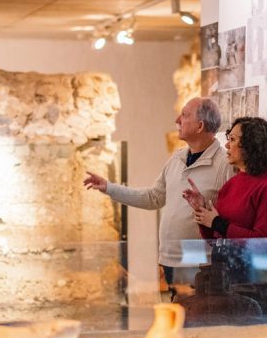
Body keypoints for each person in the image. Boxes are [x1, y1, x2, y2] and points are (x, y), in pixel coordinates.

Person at [84, 97, 235, 289]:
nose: (177, 120)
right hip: (170, 258)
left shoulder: (224, 164)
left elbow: (231, 216)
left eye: (184, 115)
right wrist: (109, 188)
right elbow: (153, 197)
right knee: (176, 316)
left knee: (198, 317)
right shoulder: (177, 158)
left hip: (203, 263)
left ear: (200, 126)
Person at [183, 116, 267, 314]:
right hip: (221, 278)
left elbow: (261, 242)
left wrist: (217, 222)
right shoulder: (233, 183)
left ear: (250, 144)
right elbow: (215, 239)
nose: (227, 144)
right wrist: (202, 212)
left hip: (251, 280)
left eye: (232, 139)